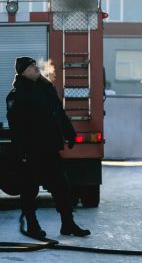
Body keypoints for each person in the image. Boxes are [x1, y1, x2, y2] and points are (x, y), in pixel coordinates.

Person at [6, 56, 90, 239]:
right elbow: (16, 127)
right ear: (22, 72)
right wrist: (21, 152)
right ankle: (33, 225)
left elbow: (58, 112)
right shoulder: (17, 94)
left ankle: (68, 224)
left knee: (62, 186)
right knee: (29, 190)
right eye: (31, 66)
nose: (36, 68)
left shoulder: (46, 88)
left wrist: (70, 133)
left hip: (50, 148)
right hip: (31, 151)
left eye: (36, 65)